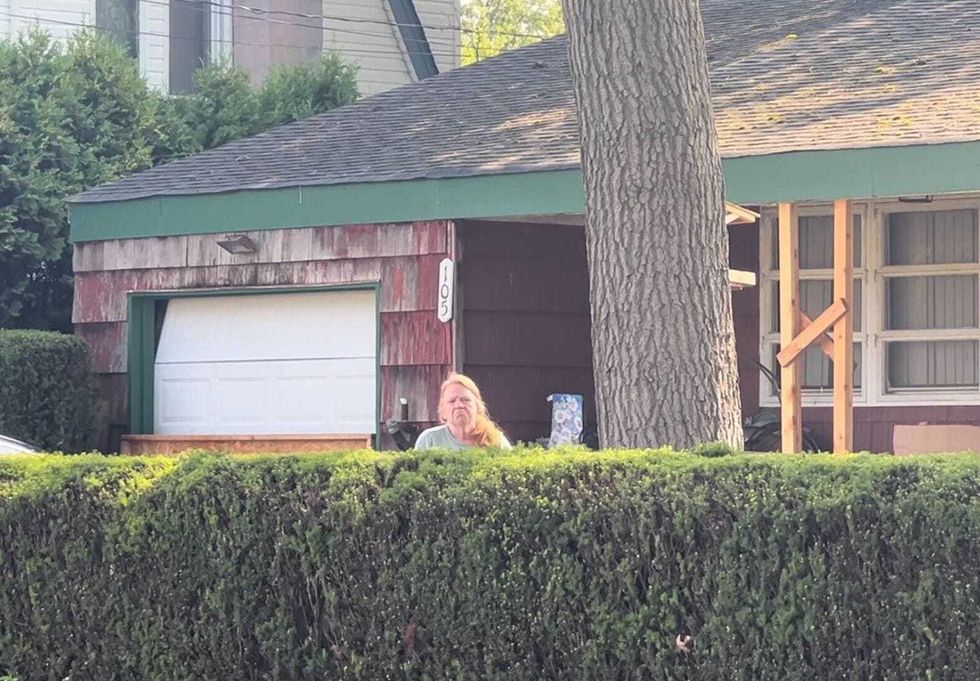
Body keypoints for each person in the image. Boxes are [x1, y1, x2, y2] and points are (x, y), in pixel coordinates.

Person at [414, 373, 512, 450]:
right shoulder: (428, 440)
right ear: (443, 410)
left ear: (477, 406)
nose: (459, 405)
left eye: (465, 400)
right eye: (452, 401)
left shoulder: (495, 439)